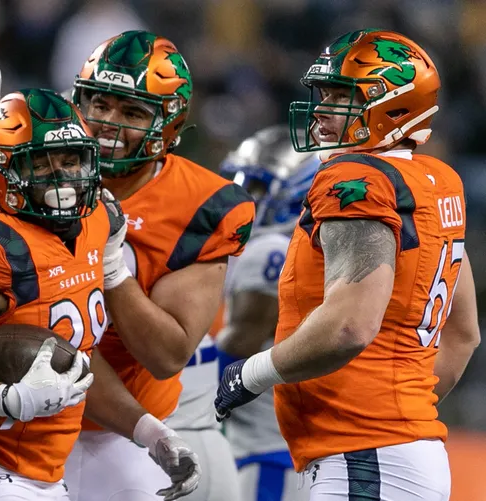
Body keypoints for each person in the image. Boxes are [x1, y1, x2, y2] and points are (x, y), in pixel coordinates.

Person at [0, 48, 203, 501]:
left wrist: (150, 432)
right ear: (2, 172)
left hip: (47, 478)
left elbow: (77, 363)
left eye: (71, 160)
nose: (62, 177)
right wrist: (6, 398)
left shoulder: (96, 224)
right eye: (41, 163)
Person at [215, 29, 480, 500]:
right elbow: (463, 334)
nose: (321, 109)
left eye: (341, 96)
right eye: (324, 94)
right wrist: (402, 408)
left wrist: (250, 374)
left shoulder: (356, 179)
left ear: (393, 106)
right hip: (394, 451)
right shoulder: (436, 180)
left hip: (365, 454)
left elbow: (349, 325)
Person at [52, 30, 254, 501]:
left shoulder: (201, 205)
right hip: (18, 423)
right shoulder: (42, 166)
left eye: (132, 112)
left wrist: (111, 268)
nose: (108, 124)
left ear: (169, 123)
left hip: (121, 436)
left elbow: (166, 356)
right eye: (100, 104)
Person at [216, 125, 316, 501]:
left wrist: (177, 382)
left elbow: (239, 344)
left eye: (258, 187)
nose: (246, 197)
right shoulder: (299, 247)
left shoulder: (271, 249)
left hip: (266, 446)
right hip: (281, 438)